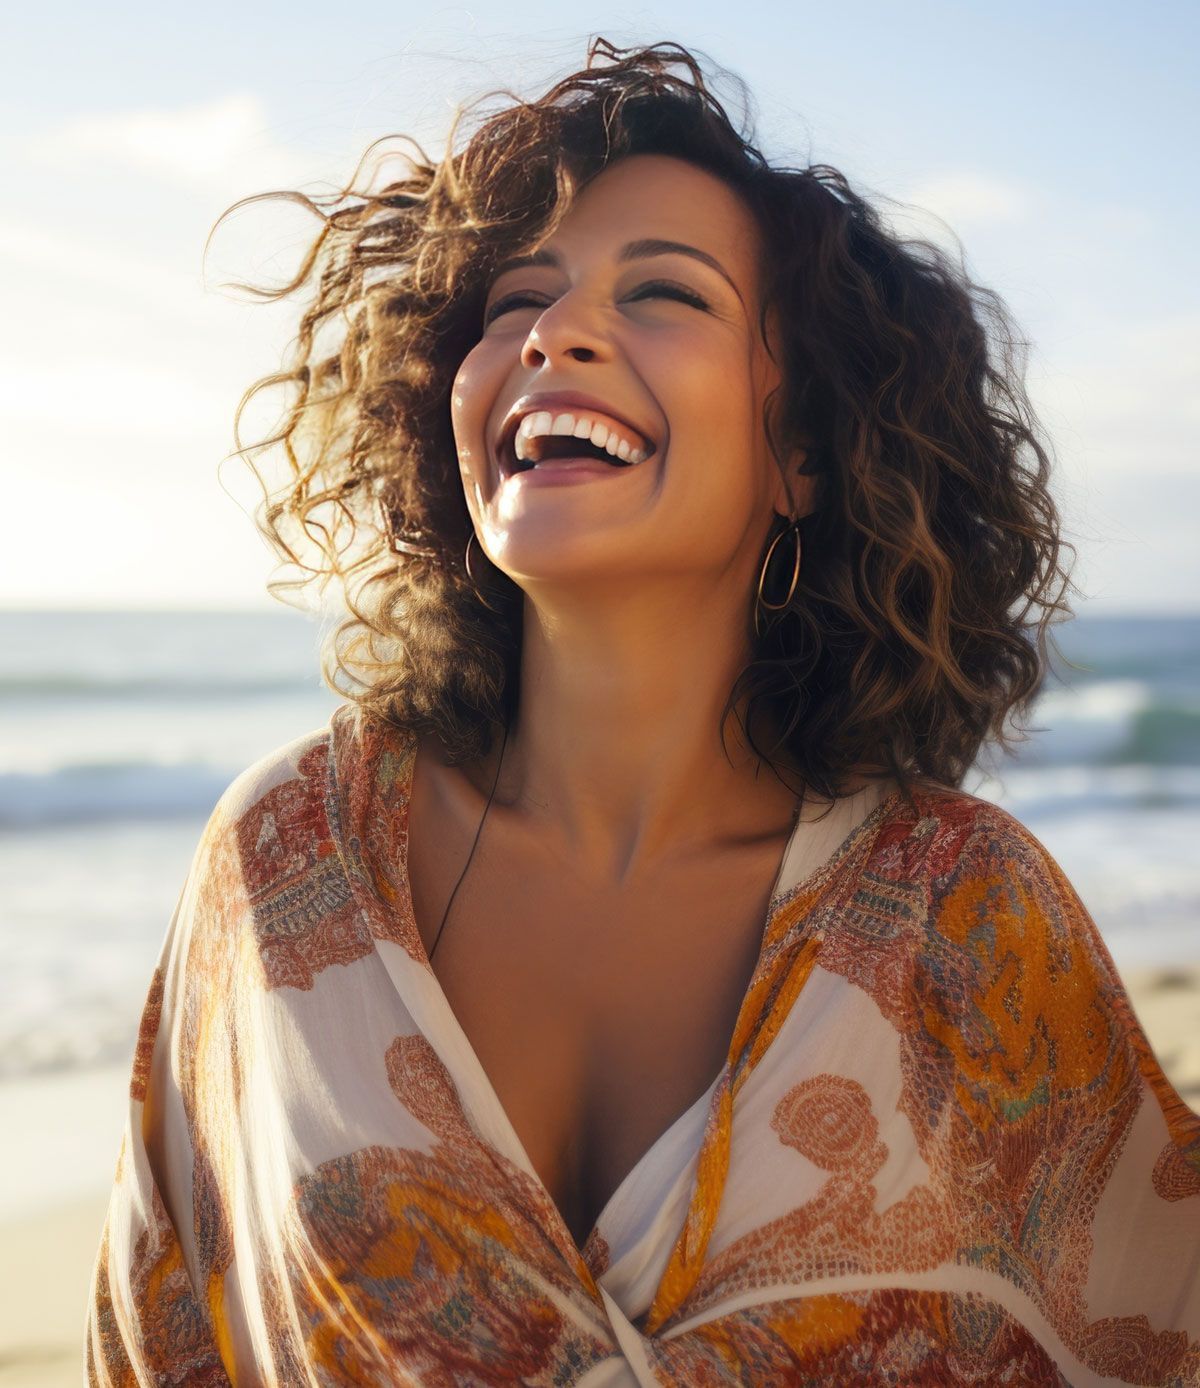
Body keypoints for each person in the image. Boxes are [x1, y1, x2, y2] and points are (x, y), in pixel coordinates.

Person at [86, 38, 1200, 1387]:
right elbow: (157, 1339)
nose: (552, 331)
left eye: (664, 292)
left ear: (802, 452)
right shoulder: (286, 866)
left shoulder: (961, 917)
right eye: (516, 301)